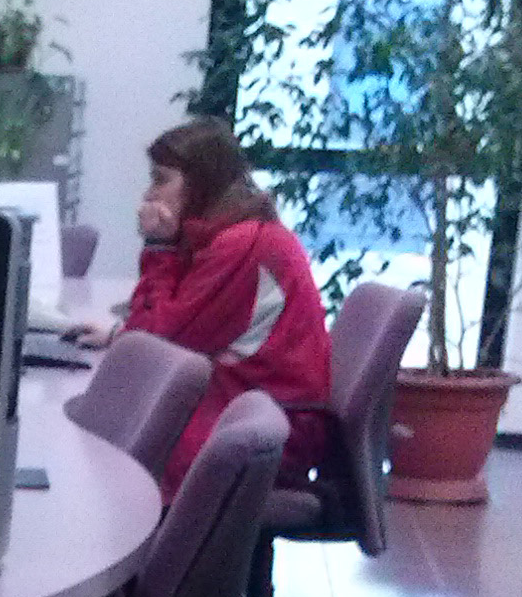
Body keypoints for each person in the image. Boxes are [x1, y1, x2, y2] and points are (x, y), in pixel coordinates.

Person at [77, 118, 332, 496]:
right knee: (110, 422)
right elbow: (166, 327)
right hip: (247, 403)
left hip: (271, 424)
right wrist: (120, 334)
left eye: (161, 179)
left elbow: (160, 343)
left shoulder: (243, 244)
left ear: (199, 182)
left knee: (124, 441)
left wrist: (158, 246)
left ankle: (157, 554)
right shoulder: (228, 235)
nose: (149, 194)